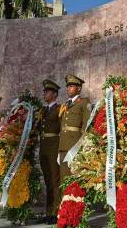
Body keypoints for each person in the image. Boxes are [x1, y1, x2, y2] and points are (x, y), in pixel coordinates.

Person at [35, 79, 61, 224]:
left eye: (47, 91)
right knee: (47, 181)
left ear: (55, 94)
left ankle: (56, 212)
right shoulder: (42, 110)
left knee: (55, 180)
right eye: (44, 91)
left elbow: (62, 129)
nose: (44, 94)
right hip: (44, 148)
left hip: (54, 148)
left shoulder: (59, 109)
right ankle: (49, 211)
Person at [58, 75, 91, 182]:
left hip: (75, 146)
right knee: (63, 179)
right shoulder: (65, 105)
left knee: (74, 179)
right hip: (63, 147)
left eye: (71, 86)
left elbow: (86, 126)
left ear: (79, 88)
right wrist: (59, 150)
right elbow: (62, 128)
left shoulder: (83, 102)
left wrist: (82, 146)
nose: (68, 88)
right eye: (67, 86)